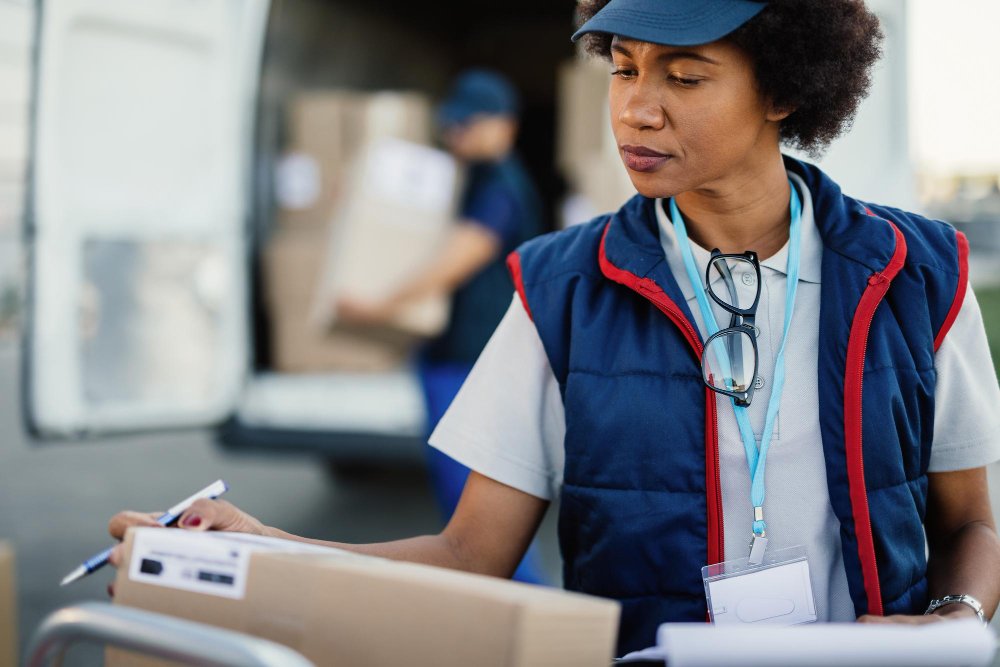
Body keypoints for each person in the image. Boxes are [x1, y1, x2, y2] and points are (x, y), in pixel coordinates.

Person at [110, 0, 1000, 655]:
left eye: (684, 77)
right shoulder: (559, 288)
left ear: (785, 91)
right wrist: (266, 545)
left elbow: (974, 526)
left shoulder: (920, 275)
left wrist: (956, 621)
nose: (635, 108)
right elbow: (469, 553)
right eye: (623, 68)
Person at [336, 69, 548, 584]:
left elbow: (461, 256)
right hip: (451, 357)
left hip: (474, 363)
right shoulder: (469, 179)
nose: (457, 136)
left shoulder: (501, 186)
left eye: (469, 125)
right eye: (453, 125)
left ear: (505, 125)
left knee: (479, 510)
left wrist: (379, 305)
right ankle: (501, 609)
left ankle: (535, 613)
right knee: (466, 508)